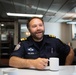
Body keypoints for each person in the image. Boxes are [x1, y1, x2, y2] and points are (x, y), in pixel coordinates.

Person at [9, 17, 74, 69]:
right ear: (29, 29)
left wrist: (66, 67)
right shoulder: (24, 43)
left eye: (40, 25)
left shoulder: (54, 41)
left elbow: (70, 51)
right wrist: (33, 63)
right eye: (34, 26)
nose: (38, 28)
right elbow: (12, 61)